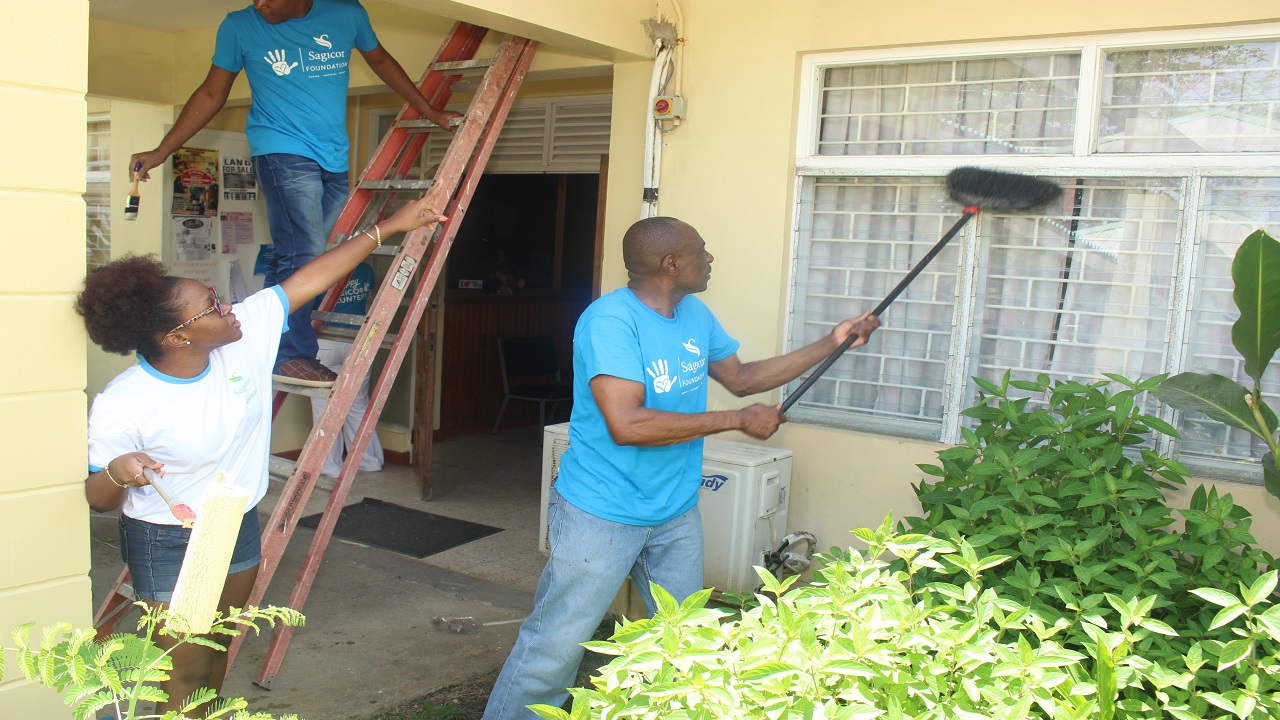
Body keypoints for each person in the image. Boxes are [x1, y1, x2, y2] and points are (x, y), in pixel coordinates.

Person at [481, 216, 881, 720]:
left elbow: (741, 377)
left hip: (674, 509)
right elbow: (627, 423)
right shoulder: (611, 322)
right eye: (701, 250)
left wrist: (833, 341)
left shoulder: (693, 313)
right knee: (556, 646)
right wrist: (737, 421)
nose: (709, 258)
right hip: (601, 510)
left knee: (685, 637)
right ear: (672, 263)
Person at [80, 196, 445, 715]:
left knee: (217, 650)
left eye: (220, 297)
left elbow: (310, 280)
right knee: (182, 667)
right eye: (213, 306)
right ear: (177, 335)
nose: (229, 305)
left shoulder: (239, 341)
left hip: (235, 522)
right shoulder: (125, 401)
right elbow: (98, 499)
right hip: (168, 539)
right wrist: (119, 471)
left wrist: (391, 227)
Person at [130, 0, 461, 388]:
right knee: (303, 252)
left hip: (333, 156)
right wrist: (161, 151)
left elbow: (382, 62)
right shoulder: (239, 26)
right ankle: (290, 354)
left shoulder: (347, 14)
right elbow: (210, 94)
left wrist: (430, 111)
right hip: (280, 150)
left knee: (301, 253)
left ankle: (269, 340)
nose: (260, 4)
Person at [310, 261, 384, 476]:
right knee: (357, 405)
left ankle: (330, 466)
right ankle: (370, 461)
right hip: (357, 340)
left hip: (326, 340)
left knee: (324, 406)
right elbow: (370, 301)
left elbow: (309, 307)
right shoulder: (366, 269)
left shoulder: (322, 266)